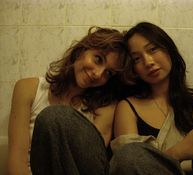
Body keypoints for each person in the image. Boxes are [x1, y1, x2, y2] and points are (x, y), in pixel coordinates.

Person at [110, 22, 193, 175]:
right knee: (129, 155)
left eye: (153, 49)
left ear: (168, 50)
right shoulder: (127, 107)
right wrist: (180, 152)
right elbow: (128, 164)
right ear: (133, 69)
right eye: (137, 59)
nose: (148, 62)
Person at [7, 26, 130, 175]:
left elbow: (90, 165)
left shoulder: (104, 108)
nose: (98, 74)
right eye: (98, 59)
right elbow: (16, 161)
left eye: (108, 73)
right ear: (82, 50)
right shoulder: (28, 89)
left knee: (56, 116)